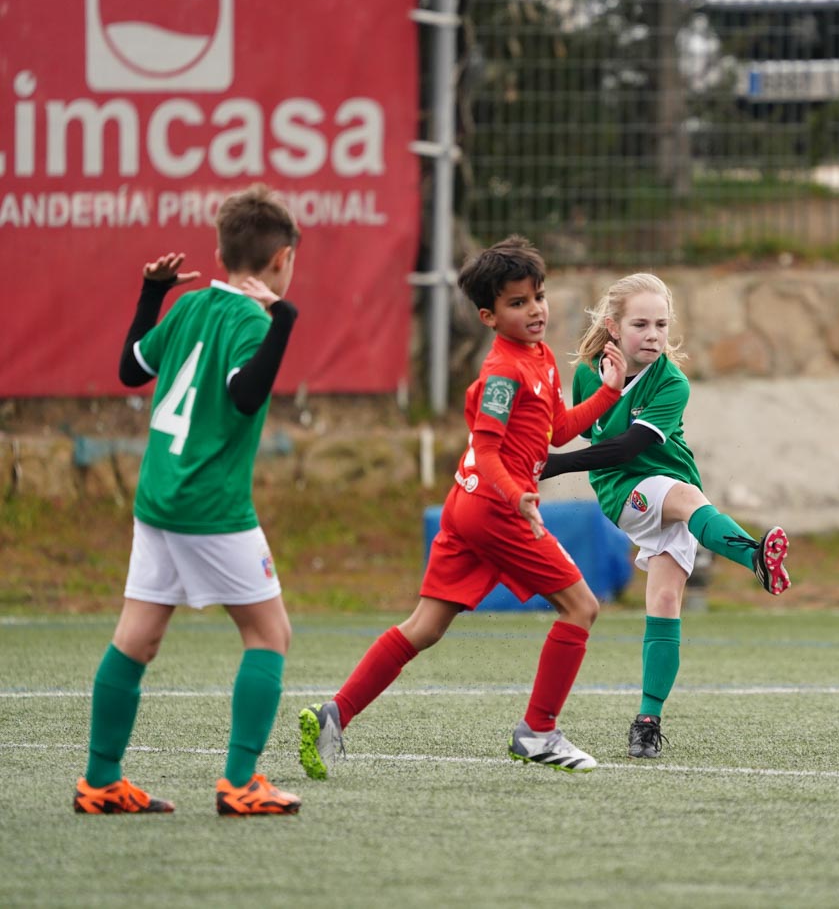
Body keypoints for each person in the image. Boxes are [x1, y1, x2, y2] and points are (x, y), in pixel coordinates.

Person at [298, 235, 627, 779]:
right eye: (517, 303)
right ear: (488, 316)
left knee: (424, 627)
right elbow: (492, 448)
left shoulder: (540, 358)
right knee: (582, 607)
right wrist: (516, 495)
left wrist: (608, 393)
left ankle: (335, 713)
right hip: (495, 510)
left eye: (538, 296)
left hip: (470, 505)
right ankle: (538, 732)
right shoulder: (503, 371)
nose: (535, 310)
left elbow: (558, 430)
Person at [75, 184, 303, 815]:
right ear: (282, 258)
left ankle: (99, 780)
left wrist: (152, 295)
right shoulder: (253, 319)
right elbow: (247, 396)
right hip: (211, 505)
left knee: (137, 637)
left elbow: (130, 370)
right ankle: (240, 782)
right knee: (269, 634)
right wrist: (283, 321)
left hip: (158, 499)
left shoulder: (190, 307)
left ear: (221, 251)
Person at [538, 272, 791, 759]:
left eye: (661, 324)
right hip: (624, 490)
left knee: (667, 600)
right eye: (640, 324)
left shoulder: (672, 382)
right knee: (686, 502)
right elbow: (599, 443)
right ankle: (755, 556)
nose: (653, 334)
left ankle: (647, 722)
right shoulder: (592, 372)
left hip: (671, 480)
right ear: (613, 327)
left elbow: (634, 443)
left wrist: (557, 464)